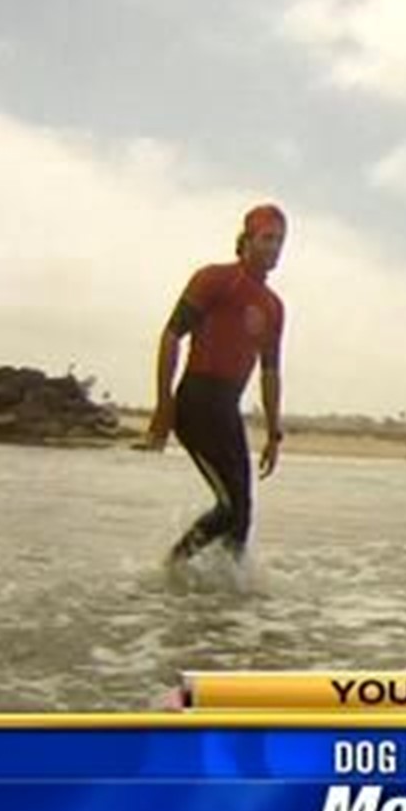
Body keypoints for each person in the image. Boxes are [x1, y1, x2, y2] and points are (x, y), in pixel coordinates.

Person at [139, 204, 289, 562]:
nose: (274, 248)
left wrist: (273, 433)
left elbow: (270, 372)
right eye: (267, 238)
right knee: (231, 506)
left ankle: (225, 596)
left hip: (226, 409)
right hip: (196, 402)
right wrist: (164, 406)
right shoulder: (215, 279)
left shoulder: (274, 306)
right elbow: (171, 335)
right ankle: (171, 568)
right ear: (247, 239)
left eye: (280, 241)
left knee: (242, 512)